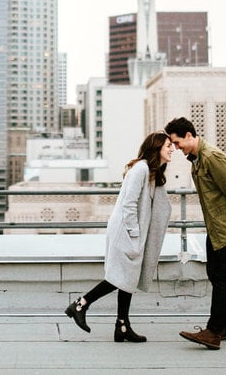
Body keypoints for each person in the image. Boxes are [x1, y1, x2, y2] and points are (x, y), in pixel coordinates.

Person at [64, 132, 173, 343]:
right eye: (168, 145)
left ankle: (122, 326)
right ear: (156, 147)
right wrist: (134, 234)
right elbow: (129, 204)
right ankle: (81, 304)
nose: (172, 149)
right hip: (126, 232)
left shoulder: (151, 172)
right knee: (120, 277)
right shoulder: (140, 169)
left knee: (127, 278)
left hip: (132, 232)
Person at [165, 116, 226, 350]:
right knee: (216, 273)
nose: (176, 148)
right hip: (217, 226)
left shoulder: (211, 157)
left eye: (177, 143)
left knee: (220, 276)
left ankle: (214, 331)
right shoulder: (196, 159)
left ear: (189, 135)